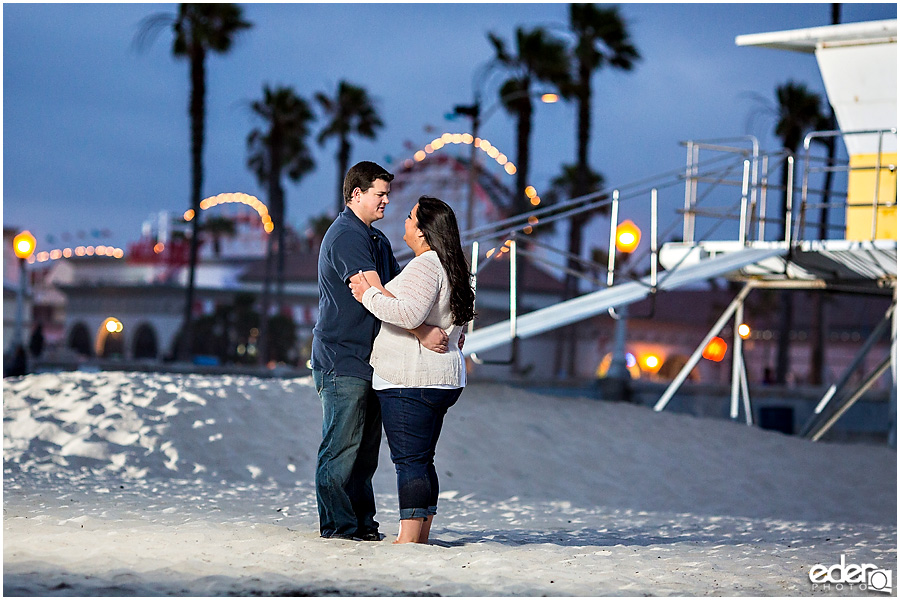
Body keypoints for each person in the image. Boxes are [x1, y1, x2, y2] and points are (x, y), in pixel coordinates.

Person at [310, 162, 449, 541]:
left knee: (364, 455)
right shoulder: (346, 237)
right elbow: (375, 296)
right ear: (356, 194)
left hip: (370, 361)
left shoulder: (377, 240)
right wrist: (421, 330)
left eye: (388, 193)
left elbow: (399, 294)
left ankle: (362, 525)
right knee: (341, 450)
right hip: (342, 359)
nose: (387, 200)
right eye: (380, 193)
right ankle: (340, 526)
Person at [349, 195, 475, 544]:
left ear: (422, 231)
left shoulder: (425, 265)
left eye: (409, 217)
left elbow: (408, 314)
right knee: (422, 459)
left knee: (409, 462)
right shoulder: (453, 265)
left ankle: (408, 539)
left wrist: (366, 295)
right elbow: (457, 321)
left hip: (412, 379)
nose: (403, 221)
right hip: (442, 379)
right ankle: (420, 535)